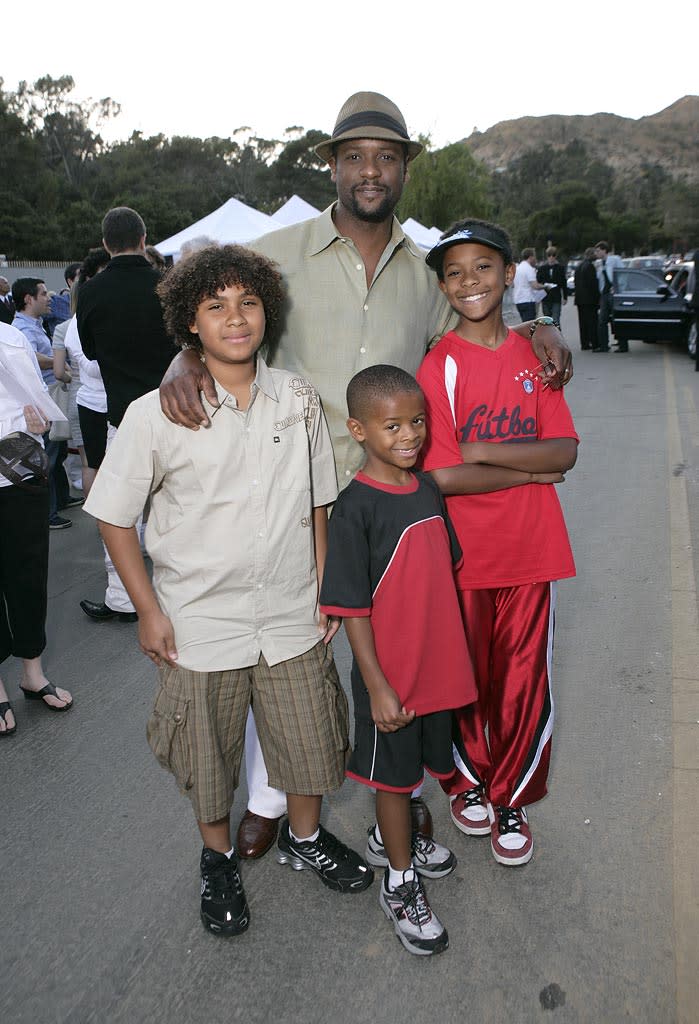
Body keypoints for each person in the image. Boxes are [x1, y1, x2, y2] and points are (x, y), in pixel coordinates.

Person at [158, 91, 574, 861]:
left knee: (403, 653)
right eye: (354, 156)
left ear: (405, 169)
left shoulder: (424, 274)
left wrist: (537, 324)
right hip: (289, 496)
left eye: (386, 156)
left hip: (396, 502)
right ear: (332, 165)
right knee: (287, 649)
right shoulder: (277, 252)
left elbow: (479, 331)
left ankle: (401, 793)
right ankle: (271, 800)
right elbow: (217, 311)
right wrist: (184, 358)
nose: (370, 171)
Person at [84, 244, 373, 936]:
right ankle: (215, 859)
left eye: (247, 303)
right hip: (197, 624)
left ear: (266, 313)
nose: (234, 318)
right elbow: (112, 515)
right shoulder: (155, 413)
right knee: (207, 758)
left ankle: (303, 837)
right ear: (190, 323)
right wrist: (147, 611)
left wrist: (326, 588)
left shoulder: (299, 399)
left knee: (308, 742)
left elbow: (316, 505)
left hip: (290, 613)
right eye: (215, 307)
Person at [417, 219, 579, 867]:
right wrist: (531, 468)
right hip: (461, 555)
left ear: (508, 273)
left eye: (482, 267)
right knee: (466, 681)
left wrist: (483, 447)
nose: (469, 282)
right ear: (441, 286)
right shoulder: (439, 366)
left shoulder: (534, 357)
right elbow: (442, 475)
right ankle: (467, 780)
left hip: (530, 549)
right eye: (454, 272)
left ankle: (510, 793)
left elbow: (564, 448)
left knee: (520, 680)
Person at [319, 364, 476, 955]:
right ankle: (400, 881)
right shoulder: (354, 508)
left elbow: (442, 575)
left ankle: (395, 839)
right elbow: (354, 610)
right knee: (392, 778)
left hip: (438, 666)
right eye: (391, 426)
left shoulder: (428, 488)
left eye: (416, 421)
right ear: (359, 430)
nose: (408, 434)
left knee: (417, 770)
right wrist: (379, 686)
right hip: (392, 676)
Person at [77, 207, 177, 623]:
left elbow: (90, 351)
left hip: (124, 416)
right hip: (178, 411)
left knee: (120, 513)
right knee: (178, 509)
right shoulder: (166, 286)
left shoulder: (93, 291)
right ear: (143, 236)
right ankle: (178, 594)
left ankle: (123, 598)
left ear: (105, 244)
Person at [0, 321, 74, 736]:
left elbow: (38, 399)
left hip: (19, 468)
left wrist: (42, 423)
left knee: (28, 575)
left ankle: (32, 672)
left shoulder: (11, 337)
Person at [12, 277, 72, 529]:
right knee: (47, 454)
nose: (49, 298)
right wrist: (57, 359)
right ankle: (49, 512)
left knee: (55, 453)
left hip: (48, 390)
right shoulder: (21, 329)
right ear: (29, 299)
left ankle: (61, 499)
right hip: (43, 392)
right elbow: (29, 358)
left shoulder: (33, 324)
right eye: (43, 293)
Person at [594, 240, 623, 352]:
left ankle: (622, 344)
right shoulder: (600, 263)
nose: (596, 253)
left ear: (604, 250)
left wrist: (617, 287)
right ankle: (604, 345)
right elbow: (599, 278)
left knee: (616, 319)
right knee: (602, 320)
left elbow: (621, 274)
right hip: (604, 293)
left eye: (598, 250)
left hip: (614, 293)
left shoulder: (614, 260)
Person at [574, 248, 600, 350]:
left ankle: (584, 343)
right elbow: (592, 284)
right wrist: (597, 297)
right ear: (590, 254)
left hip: (580, 299)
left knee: (583, 322)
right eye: (595, 253)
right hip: (589, 299)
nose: (596, 255)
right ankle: (594, 343)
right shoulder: (590, 267)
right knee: (592, 322)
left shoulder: (579, 266)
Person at [536, 246, 568, 323]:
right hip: (545, 297)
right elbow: (538, 282)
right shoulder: (542, 268)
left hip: (556, 297)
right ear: (547, 256)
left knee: (556, 319)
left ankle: (556, 335)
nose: (551, 257)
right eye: (549, 255)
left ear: (555, 256)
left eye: (553, 255)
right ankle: (549, 335)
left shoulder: (560, 268)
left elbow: (564, 283)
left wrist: (565, 297)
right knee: (547, 319)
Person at [513, 248, 546, 322]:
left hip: (518, 300)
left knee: (524, 323)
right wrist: (545, 286)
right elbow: (535, 286)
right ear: (530, 257)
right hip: (528, 299)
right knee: (529, 326)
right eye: (534, 256)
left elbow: (513, 284)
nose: (535, 259)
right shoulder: (529, 269)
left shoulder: (518, 268)